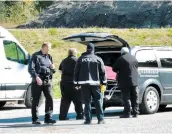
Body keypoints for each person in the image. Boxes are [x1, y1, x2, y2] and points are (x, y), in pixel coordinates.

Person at [74, 43, 107, 124]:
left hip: (84, 84)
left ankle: (88, 120)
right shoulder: (97, 59)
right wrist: (104, 83)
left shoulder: (81, 59)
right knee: (98, 101)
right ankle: (100, 119)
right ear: (93, 49)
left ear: (87, 49)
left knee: (87, 102)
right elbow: (103, 72)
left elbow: (76, 72)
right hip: (95, 84)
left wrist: (76, 83)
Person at [28, 42, 56, 124]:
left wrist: (53, 68)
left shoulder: (49, 56)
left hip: (47, 81)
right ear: (44, 47)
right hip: (37, 81)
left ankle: (48, 117)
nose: (49, 50)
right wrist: (36, 77)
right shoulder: (35, 56)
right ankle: (35, 119)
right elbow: (30, 68)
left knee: (49, 98)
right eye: (49, 48)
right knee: (36, 100)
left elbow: (52, 70)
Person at [112, 47, 139, 118]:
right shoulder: (134, 58)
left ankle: (127, 113)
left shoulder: (121, 59)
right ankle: (135, 113)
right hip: (134, 81)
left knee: (126, 98)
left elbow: (114, 68)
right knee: (135, 97)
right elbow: (137, 66)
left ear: (121, 52)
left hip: (125, 82)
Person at [59, 48, 83, 120]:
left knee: (65, 100)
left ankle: (62, 116)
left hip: (64, 83)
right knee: (77, 100)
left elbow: (60, 71)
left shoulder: (63, 60)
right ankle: (80, 115)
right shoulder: (77, 60)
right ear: (75, 53)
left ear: (68, 53)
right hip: (74, 83)